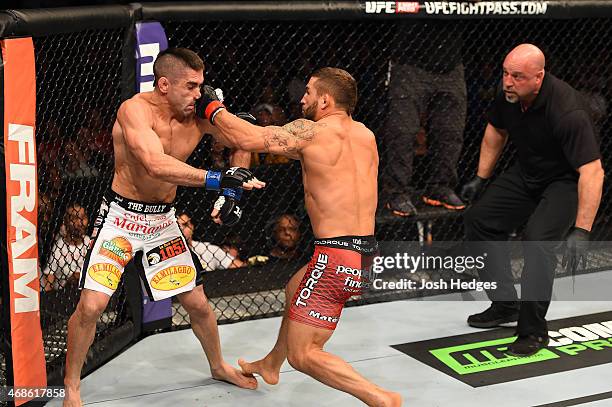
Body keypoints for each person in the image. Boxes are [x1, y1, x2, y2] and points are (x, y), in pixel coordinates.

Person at [63, 48, 265, 406]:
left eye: (201, 85)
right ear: (163, 84)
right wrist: (219, 179)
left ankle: (218, 365)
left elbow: (244, 137)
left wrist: (234, 189)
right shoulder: (134, 110)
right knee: (92, 306)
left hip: (161, 220)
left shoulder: (198, 113)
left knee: (198, 304)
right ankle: (71, 387)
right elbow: (156, 164)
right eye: (190, 86)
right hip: (121, 219)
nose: (197, 94)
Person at [198, 68, 401, 406]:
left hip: (336, 258)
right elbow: (274, 142)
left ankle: (380, 398)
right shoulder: (364, 135)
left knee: (304, 354)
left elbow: (248, 140)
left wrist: (211, 108)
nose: (301, 98)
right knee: (296, 286)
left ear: (326, 99)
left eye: (308, 92)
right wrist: (239, 124)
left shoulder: (310, 131)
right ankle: (270, 364)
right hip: (364, 252)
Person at [461, 44, 604, 357]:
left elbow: (592, 171)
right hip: (527, 173)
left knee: (537, 241)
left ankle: (533, 333)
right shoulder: (510, 95)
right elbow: (496, 130)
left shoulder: (567, 110)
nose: (508, 82)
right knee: (479, 220)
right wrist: (480, 178)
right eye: (505, 74)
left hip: (565, 181)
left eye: (518, 76)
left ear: (539, 77)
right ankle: (504, 304)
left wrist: (582, 229)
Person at [382, 20, 467, 217]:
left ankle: (440, 186)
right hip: (409, 60)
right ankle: (397, 192)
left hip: (450, 62)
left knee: (450, 131)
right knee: (403, 131)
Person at [41, 203, 90, 292]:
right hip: (61, 293)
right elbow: (49, 275)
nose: (79, 222)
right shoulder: (60, 245)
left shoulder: (89, 243)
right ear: (66, 221)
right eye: (74, 218)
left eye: (83, 218)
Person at [176, 210, 244, 269]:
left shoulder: (207, 249)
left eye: (185, 224)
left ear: (192, 226)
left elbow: (237, 265)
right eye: (177, 226)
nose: (181, 229)